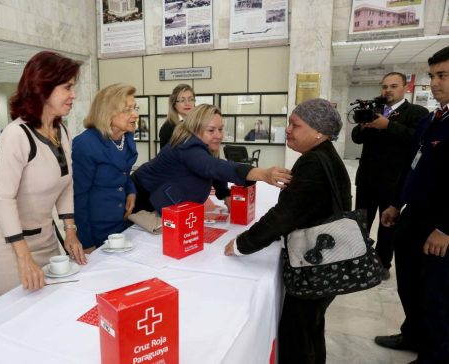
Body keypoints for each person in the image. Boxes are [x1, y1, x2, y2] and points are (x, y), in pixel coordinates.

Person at [225, 98, 351, 364]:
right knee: (309, 328)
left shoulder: (315, 162)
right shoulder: (321, 155)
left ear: (318, 131)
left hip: (316, 264)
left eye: (295, 124)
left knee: (298, 334)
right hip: (324, 258)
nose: (288, 130)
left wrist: (242, 244)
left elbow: (285, 216)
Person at [0, 51, 87, 299]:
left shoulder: (62, 132)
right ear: (43, 88)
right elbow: (4, 199)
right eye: (67, 87)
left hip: (45, 240)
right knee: (16, 317)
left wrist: (70, 230)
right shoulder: (16, 135)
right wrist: (23, 256)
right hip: (9, 248)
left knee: (48, 311)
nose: (73, 95)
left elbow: (66, 184)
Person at [374, 47, 449, 364]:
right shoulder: (433, 119)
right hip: (413, 215)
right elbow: (412, 164)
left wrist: (445, 228)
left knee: (436, 294)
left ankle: (435, 355)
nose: (434, 83)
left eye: (442, 75)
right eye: (432, 76)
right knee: (410, 283)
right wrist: (395, 203)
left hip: (439, 222)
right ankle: (413, 333)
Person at [132, 104, 292, 214]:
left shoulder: (202, 145)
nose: (218, 135)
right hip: (141, 199)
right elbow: (214, 167)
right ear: (195, 130)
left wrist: (225, 194)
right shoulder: (187, 146)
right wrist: (262, 173)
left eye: (221, 129)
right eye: (211, 130)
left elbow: (214, 172)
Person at [352, 72, 428, 280]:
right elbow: (357, 139)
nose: (388, 90)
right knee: (360, 225)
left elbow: (416, 139)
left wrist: (388, 126)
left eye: (393, 86)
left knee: (387, 228)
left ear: (405, 88)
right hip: (366, 179)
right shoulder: (373, 110)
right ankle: (359, 262)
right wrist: (362, 123)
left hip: (393, 183)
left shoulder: (416, 112)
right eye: (385, 86)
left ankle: (382, 264)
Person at [72, 84, 139, 252]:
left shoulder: (127, 138)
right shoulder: (85, 143)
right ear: (108, 113)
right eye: (128, 110)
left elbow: (123, 171)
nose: (135, 115)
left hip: (119, 224)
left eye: (135, 108)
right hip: (95, 230)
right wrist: (86, 243)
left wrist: (131, 190)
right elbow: (78, 197)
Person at [159, 84, 196, 148]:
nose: (187, 103)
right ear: (174, 104)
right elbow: (166, 156)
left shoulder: (199, 123)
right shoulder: (168, 127)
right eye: (182, 100)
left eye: (190, 99)